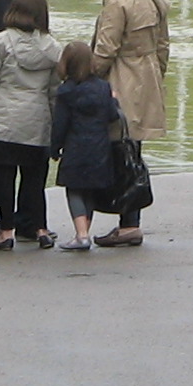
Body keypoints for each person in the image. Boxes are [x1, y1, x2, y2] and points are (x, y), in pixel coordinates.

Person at [90, 0, 171, 247]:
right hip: (147, 75)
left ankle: (124, 223)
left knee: (118, 151)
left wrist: (86, 78)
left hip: (122, 78)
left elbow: (105, 49)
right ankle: (130, 221)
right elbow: (164, 47)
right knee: (134, 150)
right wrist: (154, 76)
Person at [0, 0, 61, 249]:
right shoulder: (53, 48)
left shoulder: (1, 42)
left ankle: (6, 232)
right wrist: (56, 129)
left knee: (3, 178)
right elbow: (54, 92)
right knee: (34, 180)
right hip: (37, 122)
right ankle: (39, 228)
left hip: (2, 123)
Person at [49, 40, 119, 251]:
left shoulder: (66, 92)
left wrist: (54, 148)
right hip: (100, 149)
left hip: (75, 148)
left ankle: (81, 235)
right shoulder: (103, 87)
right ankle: (84, 232)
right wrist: (113, 101)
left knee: (74, 190)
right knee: (89, 192)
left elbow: (60, 124)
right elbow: (112, 116)